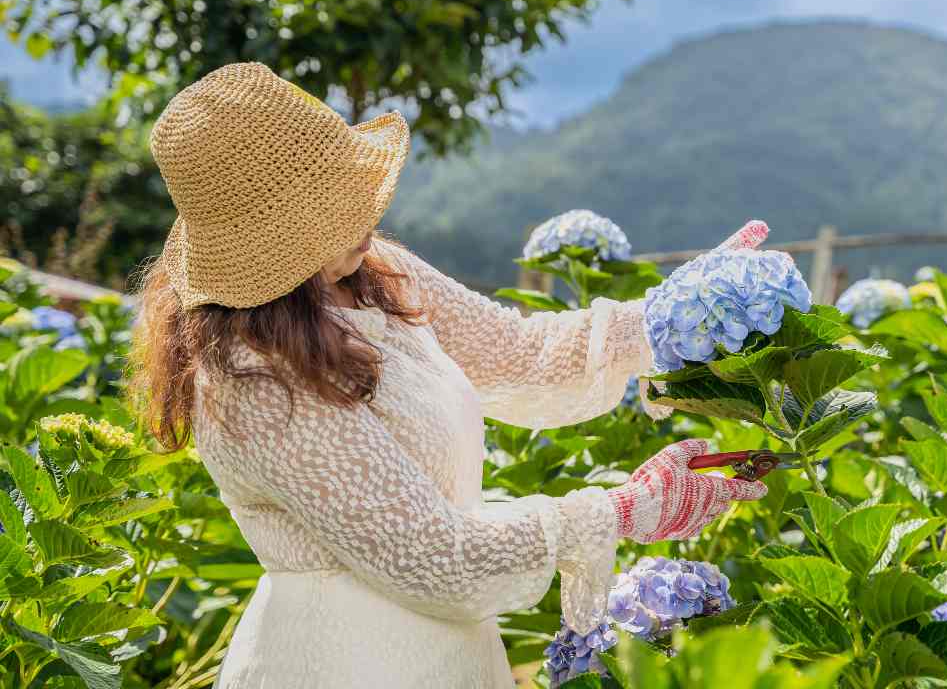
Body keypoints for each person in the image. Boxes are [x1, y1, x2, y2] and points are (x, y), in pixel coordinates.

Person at [127, 62, 767, 688]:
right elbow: (434, 558)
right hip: (342, 662)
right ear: (273, 244)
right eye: (333, 212)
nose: (366, 218)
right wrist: (628, 509)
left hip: (453, 655)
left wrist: (670, 314)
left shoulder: (369, 270)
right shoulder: (248, 380)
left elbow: (520, 353)